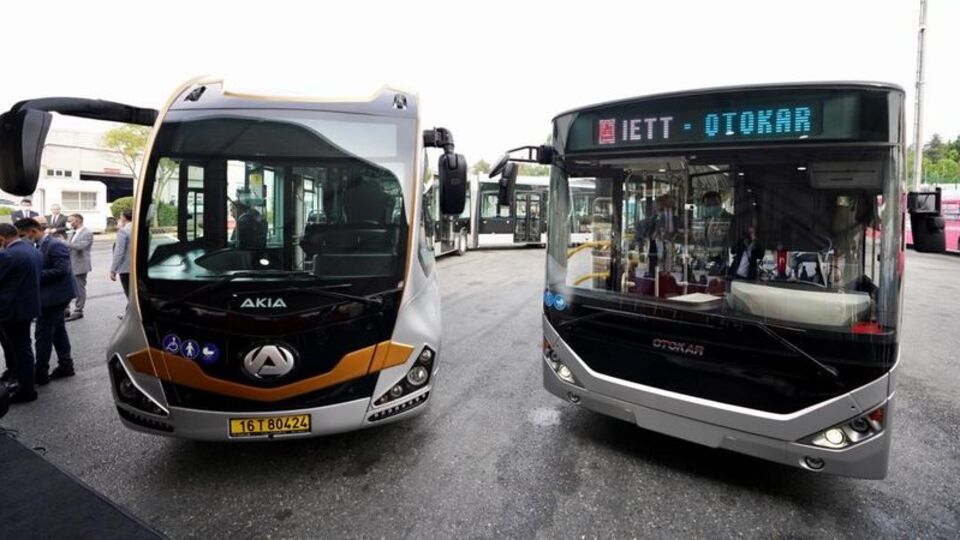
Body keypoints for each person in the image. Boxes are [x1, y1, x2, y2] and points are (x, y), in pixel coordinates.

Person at [15, 218, 75, 385]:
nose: (21, 239)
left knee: (43, 334)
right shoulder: (38, 245)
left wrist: (34, 276)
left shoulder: (55, 245)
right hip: (50, 296)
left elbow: (62, 270)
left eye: (22, 235)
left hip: (56, 297)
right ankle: (66, 365)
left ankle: (40, 372)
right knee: (58, 332)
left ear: (33, 231)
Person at [0, 222, 42, 403]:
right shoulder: (33, 250)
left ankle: (26, 389)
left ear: (2, 238)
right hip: (27, 306)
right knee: (23, 347)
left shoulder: (8, 255)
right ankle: (25, 383)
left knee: (19, 349)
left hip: (12, 310)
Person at [65, 213, 93, 321]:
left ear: (77, 221)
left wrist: (64, 243)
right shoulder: (72, 232)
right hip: (69, 264)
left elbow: (80, 246)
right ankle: (66, 310)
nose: (68, 223)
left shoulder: (87, 233)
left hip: (80, 265)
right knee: (68, 287)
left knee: (79, 289)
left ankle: (78, 310)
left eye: (70, 221)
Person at [111, 209, 133, 298]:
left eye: (120, 216)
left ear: (124, 217)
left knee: (129, 294)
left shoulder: (123, 231)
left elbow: (119, 252)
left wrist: (113, 270)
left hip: (125, 268)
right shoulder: (140, 229)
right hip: (139, 267)